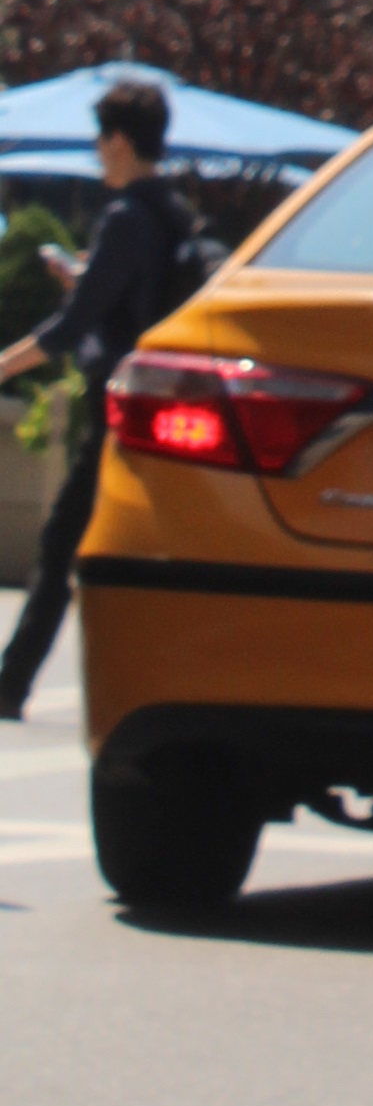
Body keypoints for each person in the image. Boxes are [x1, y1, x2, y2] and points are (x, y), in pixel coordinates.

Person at [0, 78, 202, 720]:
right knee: (142, 550)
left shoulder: (124, 218)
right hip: (164, 405)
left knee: (64, 543)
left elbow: (70, 330)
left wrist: (3, 365)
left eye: (99, 138)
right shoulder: (171, 213)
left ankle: (10, 684)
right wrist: (87, 277)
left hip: (117, 408)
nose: (95, 150)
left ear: (118, 140)